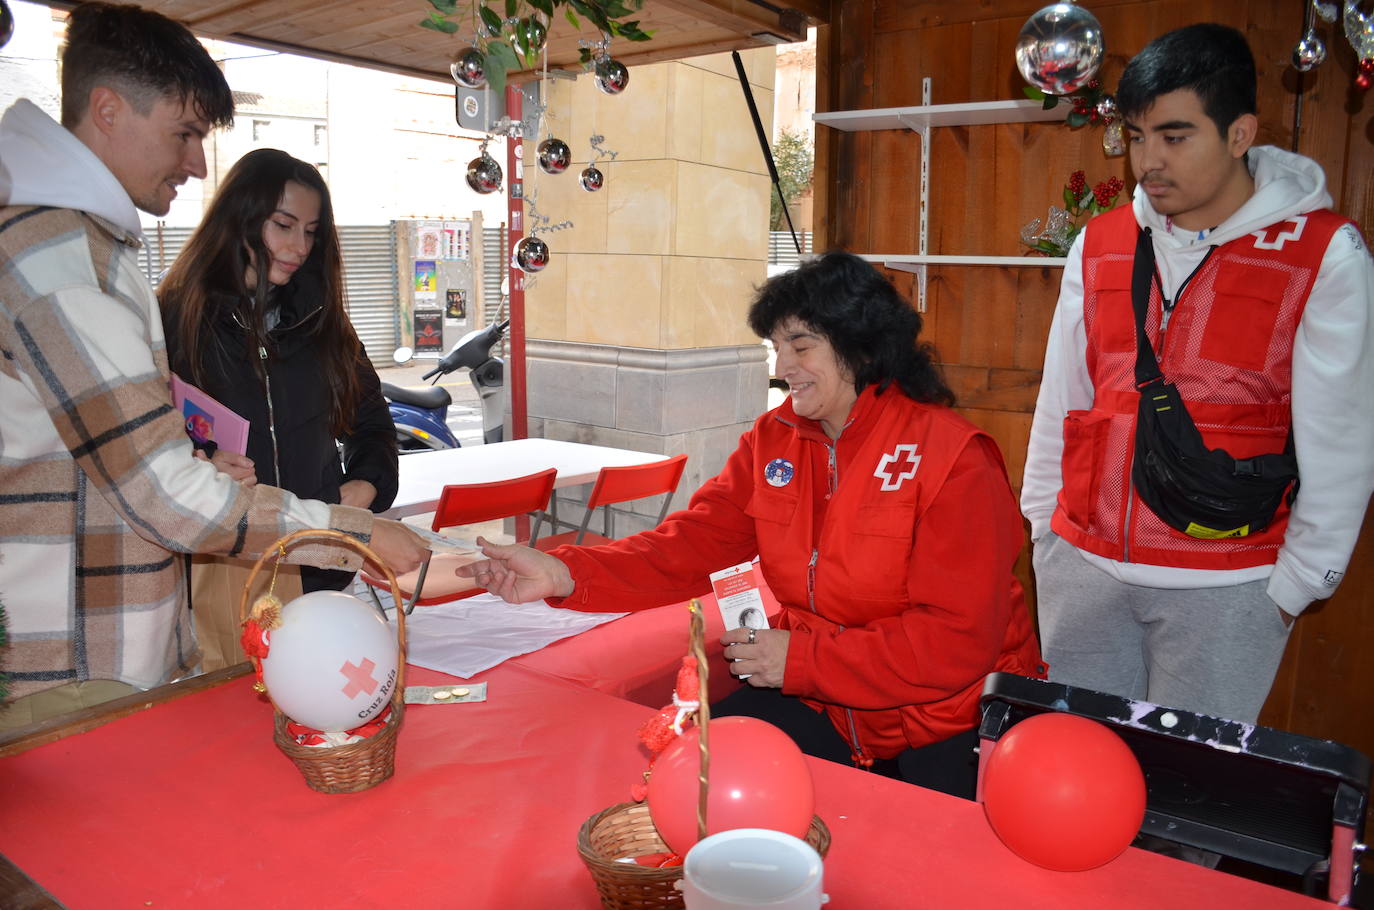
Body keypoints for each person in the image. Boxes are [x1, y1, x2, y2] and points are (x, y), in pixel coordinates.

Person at [457, 251, 1044, 798]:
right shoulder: (774, 440)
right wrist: (564, 572)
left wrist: (803, 661)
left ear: (861, 347)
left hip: (945, 717)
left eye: (801, 346)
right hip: (828, 707)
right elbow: (689, 546)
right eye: (776, 346)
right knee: (700, 779)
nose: (782, 365)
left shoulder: (952, 457)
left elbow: (957, 640)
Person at [0, 2, 427, 727]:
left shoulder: (91, 250)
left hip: (120, 644)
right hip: (75, 669)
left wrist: (344, 496)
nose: (197, 163)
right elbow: (162, 491)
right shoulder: (63, 258)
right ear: (108, 110)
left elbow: (121, 460)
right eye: (186, 134)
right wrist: (347, 530)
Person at [1021, 23, 1374, 724]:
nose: (1148, 161)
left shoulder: (1321, 254)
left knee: (1184, 808)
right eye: (1137, 136)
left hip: (1228, 587)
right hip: (1084, 568)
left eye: (1175, 136)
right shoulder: (1101, 243)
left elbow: (1343, 441)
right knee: (1076, 783)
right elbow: (1064, 396)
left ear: (1239, 134)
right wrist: (1045, 531)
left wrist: (1290, 588)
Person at [159, 148, 399, 594]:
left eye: (311, 232)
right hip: (222, 578)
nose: (300, 248)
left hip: (323, 569)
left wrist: (365, 484)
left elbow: (373, 426)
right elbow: (142, 460)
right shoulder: (172, 322)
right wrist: (200, 467)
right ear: (239, 218)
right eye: (283, 226)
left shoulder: (323, 323)